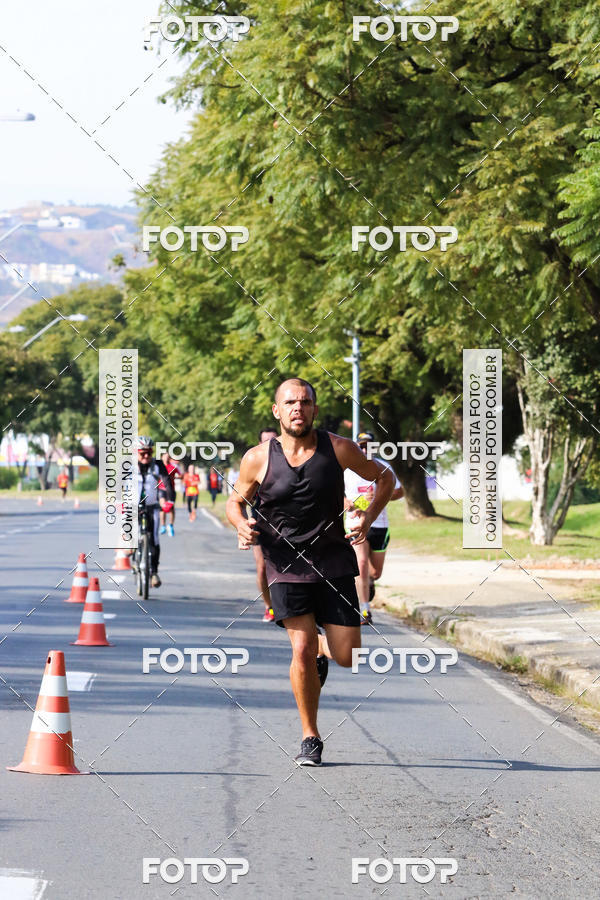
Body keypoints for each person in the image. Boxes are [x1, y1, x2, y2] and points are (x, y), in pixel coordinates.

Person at [226, 377, 394, 766]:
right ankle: (310, 736)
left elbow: (383, 477)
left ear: (315, 409)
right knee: (299, 648)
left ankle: (323, 648)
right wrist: (240, 524)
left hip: (333, 561)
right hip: (284, 564)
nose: (297, 408)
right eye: (290, 402)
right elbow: (236, 502)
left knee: (347, 654)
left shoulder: (338, 448)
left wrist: (367, 519)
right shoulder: (258, 458)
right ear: (276, 410)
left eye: (304, 402)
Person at [344, 432, 404, 625]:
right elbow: (337, 495)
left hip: (379, 524)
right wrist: (352, 503)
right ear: (356, 448)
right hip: (355, 523)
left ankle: (365, 583)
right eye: (361, 446)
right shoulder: (346, 470)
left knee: (375, 572)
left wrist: (382, 494)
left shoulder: (384, 467)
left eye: (368, 446)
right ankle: (364, 610)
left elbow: (399, 492)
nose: (364, 450)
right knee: (360, 563)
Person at [135, 436, 175, 588]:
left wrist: (169, 501)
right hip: (133, 505)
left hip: (152, 505)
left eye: (149, 453)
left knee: (154, 539)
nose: (146, 456)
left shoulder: (158, 465)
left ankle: (154, 573)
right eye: (142, 453)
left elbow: (167, 484)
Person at [253, 427, 278, 622]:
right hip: (259, 524)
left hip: (285, 525)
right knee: (262, 568)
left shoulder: (289, 462)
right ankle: (269, 607)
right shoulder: (254, 464)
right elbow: (239, 498)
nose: (269, 444)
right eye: (265, 441)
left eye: (273, 440)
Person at [158, 452, 181, 537]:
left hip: (171, 490)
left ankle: (170, 525)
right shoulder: (158, 467)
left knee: (171, 508)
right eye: (165, 457)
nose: (167, 458)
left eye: (168, 457)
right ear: (162, 457)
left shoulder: (173, 467)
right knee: (163, 507)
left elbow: (180, 476)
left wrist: (174, 477)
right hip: (161, 489)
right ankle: (163, 525)